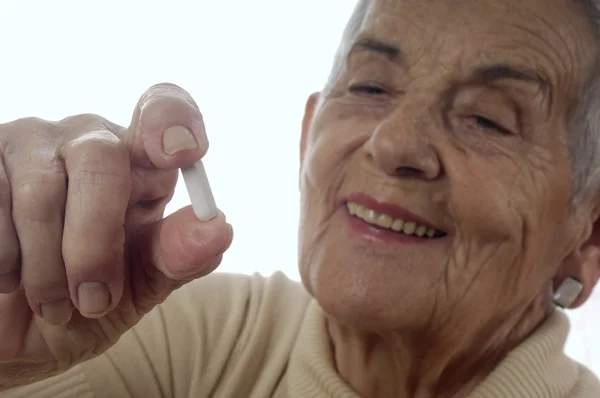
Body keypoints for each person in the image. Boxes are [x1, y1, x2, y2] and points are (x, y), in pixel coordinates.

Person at [2, 0, 600, 396]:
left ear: (588, 237)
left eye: (489, 121)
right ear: (308, 133)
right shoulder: (190, 337)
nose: (393, 142)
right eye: (368, 86)